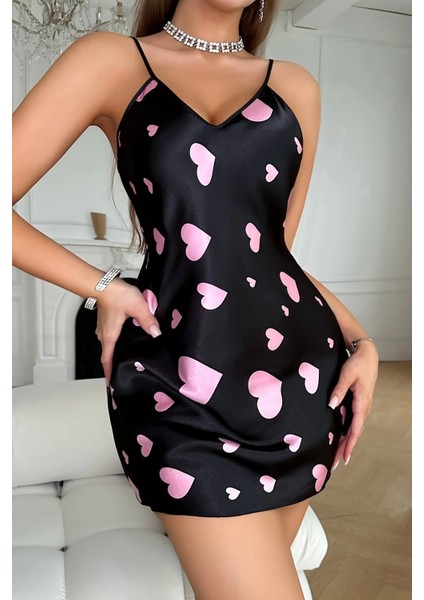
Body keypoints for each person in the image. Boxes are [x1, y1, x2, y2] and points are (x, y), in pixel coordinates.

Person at [12, 1, 379, 598]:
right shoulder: (111, 61)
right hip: (178, 386)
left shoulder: (295, 87)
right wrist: (103, 287)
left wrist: (362, 339)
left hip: (299, 383)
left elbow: (272, 255)